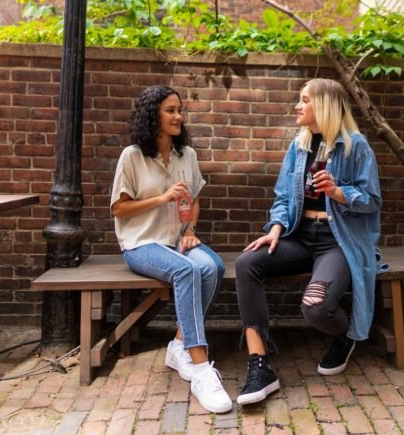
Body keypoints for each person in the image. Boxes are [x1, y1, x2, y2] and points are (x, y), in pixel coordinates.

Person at [234, 78, 382, 405]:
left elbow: (372, 201)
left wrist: (339, 192)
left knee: (315, 308)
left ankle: (345, 334)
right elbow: (284, 197)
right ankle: (259, 363)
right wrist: (274, 227)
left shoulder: (356, 146)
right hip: (300, 237)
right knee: (247, 263)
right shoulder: (298, 146)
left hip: (338, 241)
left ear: (325, 105)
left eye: (305, 99)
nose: (297, 106)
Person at [110, 85, 231, 413]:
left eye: (180, 110)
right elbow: (119, 209)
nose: (179, 116)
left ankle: (178, 344)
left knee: (213, 266)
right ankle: (201, 366)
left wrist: (190, 229)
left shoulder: (186, 155)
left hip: (178, 240)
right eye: (170, 110)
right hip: (141, 243)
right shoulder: (132, 156)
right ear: (154, 115)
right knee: (188, 269)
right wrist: (162, 198)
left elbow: (195, 200)